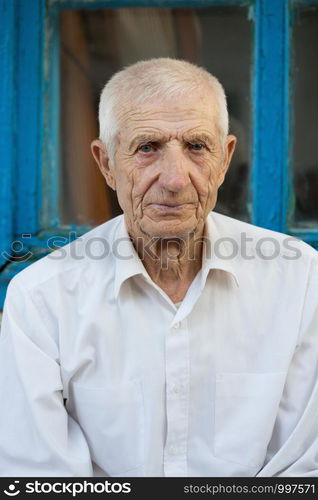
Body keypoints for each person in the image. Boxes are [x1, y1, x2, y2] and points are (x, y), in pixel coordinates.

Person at [1, 58, 318, 478]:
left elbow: (303, 470)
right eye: (147, 147)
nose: (174, 179)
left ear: (225, 159)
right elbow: (40, 479)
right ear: (106, 164)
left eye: (196, 147)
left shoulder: (299, 279)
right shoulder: (42, 297)